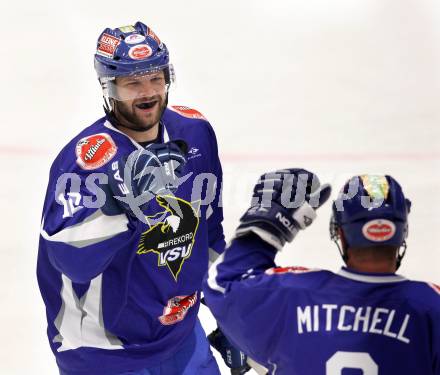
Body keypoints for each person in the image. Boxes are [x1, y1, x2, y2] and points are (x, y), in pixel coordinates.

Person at [37, 21, 231, 375]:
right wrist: (126, 206)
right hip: (103, 355)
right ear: (109, 87)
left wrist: (231, 315)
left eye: (156, 78)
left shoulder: (195, 134)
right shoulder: (85, 161)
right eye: (133, 83)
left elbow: (209, 235)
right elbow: (69, 260)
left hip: (182, 337)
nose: (148, 92)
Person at [203, 169, 440, 374]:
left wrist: (269, 223)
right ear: (402, 233)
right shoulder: (429, 307)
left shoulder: (291, 295)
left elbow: (223, 283)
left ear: (341, 233)